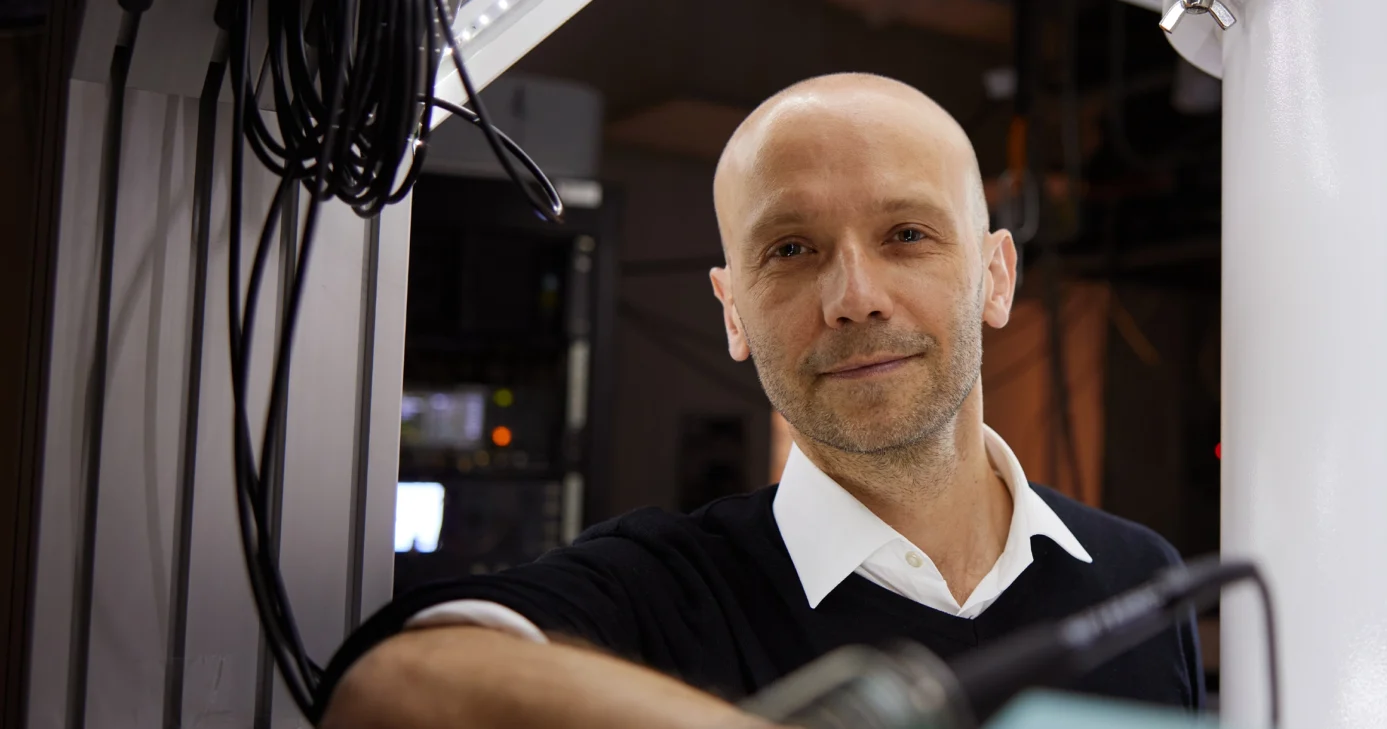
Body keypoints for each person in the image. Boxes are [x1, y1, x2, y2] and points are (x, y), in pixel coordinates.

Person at [319, 73, 1202, 729]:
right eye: (790, 248)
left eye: (906, 234)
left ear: (996, 278)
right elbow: (391, 685)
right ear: (733, 310)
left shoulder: (1141, 579)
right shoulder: (666, 591)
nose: (854, 294)